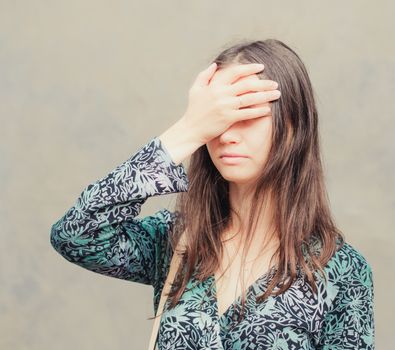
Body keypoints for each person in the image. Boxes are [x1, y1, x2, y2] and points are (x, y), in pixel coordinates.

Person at [50, 38, 375, 349]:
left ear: (292, 127)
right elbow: (75, 235)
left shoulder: (341, 272)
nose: (227, 135)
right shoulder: (174, 242)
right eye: (216, 119)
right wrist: (187, 130)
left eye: (244, 114)